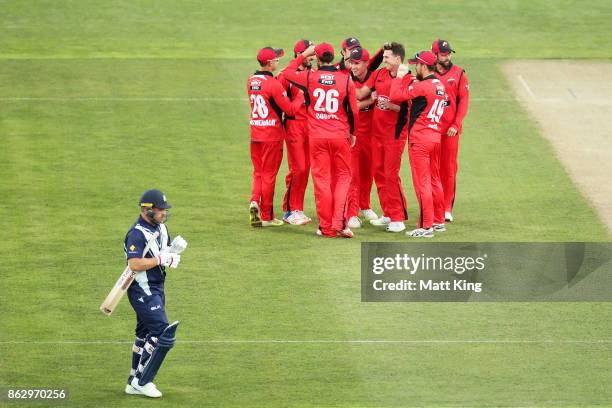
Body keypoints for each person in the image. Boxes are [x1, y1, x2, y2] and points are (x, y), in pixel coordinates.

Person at [282, 43, 359, 238]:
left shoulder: (310, 77)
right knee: (342, 178)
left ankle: (326, 227)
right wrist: (353, 132)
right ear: (333, 58)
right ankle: (341, 223)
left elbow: (287, 72)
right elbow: (353, 110)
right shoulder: (345, 79)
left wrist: (302, 56)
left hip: (317, 137)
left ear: (317, 58)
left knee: (322, 181)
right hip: (340, 135)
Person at [124, 189, 185, 397]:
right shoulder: (136, 233)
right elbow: (134, 263)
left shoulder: (162, 228)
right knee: (161, 333)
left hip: (157, 286)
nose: (164, 214)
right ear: (147, 210)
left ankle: (133, 381)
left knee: (143, 334)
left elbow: (163, 250)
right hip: (142, 290)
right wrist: (161, 260)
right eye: (160, 211)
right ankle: (143, 379)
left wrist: (173, 252)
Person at [390, 51, 447, 237]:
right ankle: (439, 221)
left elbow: (395, 95)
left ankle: (425, 227)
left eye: (417, 65)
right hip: (435, 138)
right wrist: (416, 82)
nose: (416, 67)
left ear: (423, 66)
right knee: (434, 180)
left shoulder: (422, 87)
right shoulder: (439, 85)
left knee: (422, 183)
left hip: (420, 140)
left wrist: (399, 77)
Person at [356, 42, 411, 233]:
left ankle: (398, 218)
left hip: (394, 135)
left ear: (398, 59)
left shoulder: (408, 79)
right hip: (377, 134)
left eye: (387, 57)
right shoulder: (379, 74)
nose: (383, 60)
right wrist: (342, 88)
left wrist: (392, 106)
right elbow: (362, 92)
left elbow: (410, 109)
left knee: (391, 175)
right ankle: (388, 213)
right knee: (379, 172)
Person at [247, 47, 304, 227]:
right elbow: (290, 110)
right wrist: (301, 96)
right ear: (270, 63)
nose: (278, 62)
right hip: (272, 135)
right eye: (276, 60)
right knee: (269, 176)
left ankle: (254, 200)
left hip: (255, 132)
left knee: (258, 173)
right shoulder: (273, 84)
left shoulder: (251, 80)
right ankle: (267, 216)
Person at [277, 40, 316, 226]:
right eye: (309, 55)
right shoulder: (287, 76)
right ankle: (288, 210)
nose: (313, 58)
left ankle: (298, 208)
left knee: (306, 168)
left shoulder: (314, 74)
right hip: (294, 126)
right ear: (299, 55)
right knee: (297, 168)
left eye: (313, 55)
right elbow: (278, 100)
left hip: (311, 127)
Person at [431, 39, 470, 222]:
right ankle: (433, 204)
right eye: (443, 54)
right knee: (432, 169)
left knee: (448, 169)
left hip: (450, 132)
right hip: (430, 130)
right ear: (435, 54)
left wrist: (456, 124)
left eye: (448, 54)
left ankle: (446, 208)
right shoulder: (427, 72)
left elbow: (463, 102)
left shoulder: (459, 74)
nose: (446, 56)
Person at [346, 47, 380, 228]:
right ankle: (351, 213)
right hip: (352, 133)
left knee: (368, 171)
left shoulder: (374, 76)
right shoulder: (346, 78)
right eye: (351, 62)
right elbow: (355, 105)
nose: (353, 66)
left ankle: (364, 206)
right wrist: (370, 100)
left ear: (366, 63)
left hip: (371, 132)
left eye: (357, 63)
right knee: (353, 173)